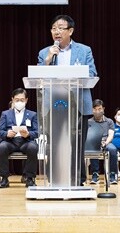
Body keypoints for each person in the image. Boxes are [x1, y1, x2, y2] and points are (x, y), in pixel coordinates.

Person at [37, 14, 97, 185]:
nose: (57, 31)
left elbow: (92, 74)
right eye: (54, 28)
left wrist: (73, 76)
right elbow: (38, 76)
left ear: (70, 31)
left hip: (77, 103)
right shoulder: (44, 52)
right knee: (54, 144)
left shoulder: (84, 50)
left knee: (76, 144)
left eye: (61, 28)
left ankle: (77, 179)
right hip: (54, 105)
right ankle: (55, 178)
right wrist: (48, 60)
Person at [0, 88, 39, 188]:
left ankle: (29, 178)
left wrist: (28, 134)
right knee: (1, 148)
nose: (19, 102)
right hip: (10, 141)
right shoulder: (5, 114)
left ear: (26, 100)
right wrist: (7, 134)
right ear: (13, 100)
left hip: (26, 141)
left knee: (33, 148)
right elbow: (0, 131)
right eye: (17, 100)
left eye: (22, 100)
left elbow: (37, 132)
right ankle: (4, 178)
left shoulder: (32, 114)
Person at [88, 100, 116, 184]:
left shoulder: (109, 121)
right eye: (95, 109)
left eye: (99, 109)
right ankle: (95, 174)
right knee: (93, 148)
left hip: (106, 142)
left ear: (103, 109)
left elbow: (111, 135)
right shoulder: (88, 122)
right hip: (93, 142)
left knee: (113, 149)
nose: (97, 111)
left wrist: (106, 142)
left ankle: (112, 174)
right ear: (92, 109)